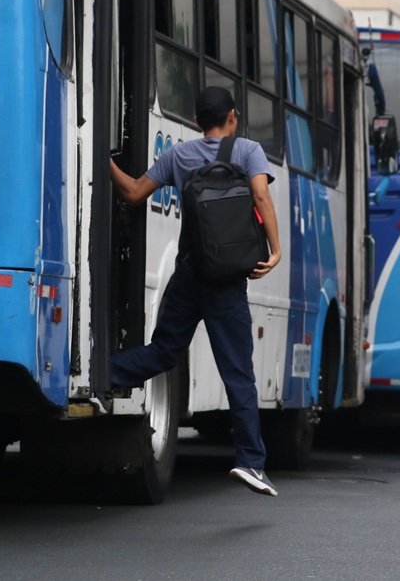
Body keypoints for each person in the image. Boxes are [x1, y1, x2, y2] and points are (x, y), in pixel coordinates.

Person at [108, 86, 283, 495]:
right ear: (233, 117)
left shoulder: (179, 156)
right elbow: (260, 194)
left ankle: (106, 374)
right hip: (226, 281)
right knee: (238, 372)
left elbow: (134, 193)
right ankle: (251, 463)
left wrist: (106, 162)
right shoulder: (248, 152)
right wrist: (274, 251)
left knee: (165, 351)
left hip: (189, 274)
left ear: (198, 120)